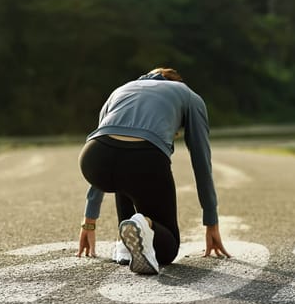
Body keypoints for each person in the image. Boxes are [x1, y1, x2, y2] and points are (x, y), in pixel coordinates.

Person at [77, 67, 231, 274]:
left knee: (121, 172)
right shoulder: (187, 94)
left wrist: (89, 222)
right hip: (144, 160)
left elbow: (110, 140)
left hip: (93, 158)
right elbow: (201, 161)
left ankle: (125, 244)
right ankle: (144, 224)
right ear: (175, 81)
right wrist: (211, 222)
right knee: (168, 249)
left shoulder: (121, 90)